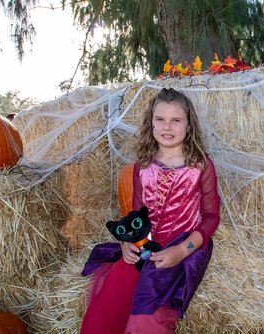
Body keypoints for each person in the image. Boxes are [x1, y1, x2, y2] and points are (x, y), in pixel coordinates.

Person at [80, 88, 221, 334]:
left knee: (144, 321)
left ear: (188, 126)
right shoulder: (142, 166)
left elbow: (211, 217)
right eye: (160, 119)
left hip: (181, 246)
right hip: (144, 246)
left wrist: (181, 250)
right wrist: (127, 243)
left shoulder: (201, 165)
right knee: (107, 310)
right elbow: (137, 216)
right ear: (151, 124)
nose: (167, 127)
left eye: (176, 120)